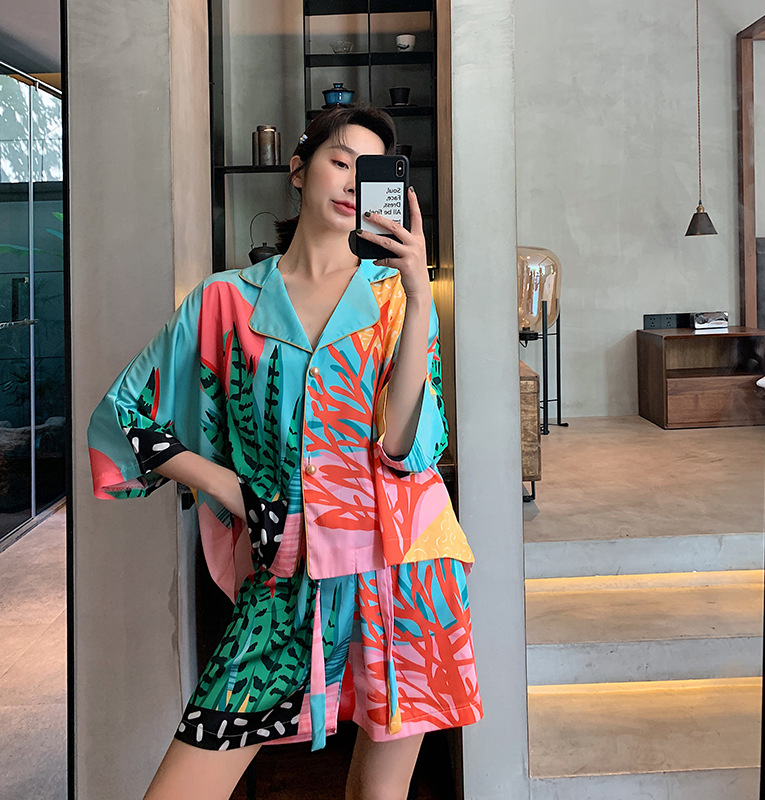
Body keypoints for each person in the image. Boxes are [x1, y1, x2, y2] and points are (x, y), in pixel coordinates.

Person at [87, 104, 482, 800]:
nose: (352, 183)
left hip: (406, 572)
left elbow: (402, 450)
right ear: (298, 170)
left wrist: (421, 296)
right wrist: (235, 492)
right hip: (286, 575)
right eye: (340, 161)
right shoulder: (225, 301)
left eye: (370, 173)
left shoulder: (396, 300)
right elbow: (122, 417)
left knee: (378, 795)